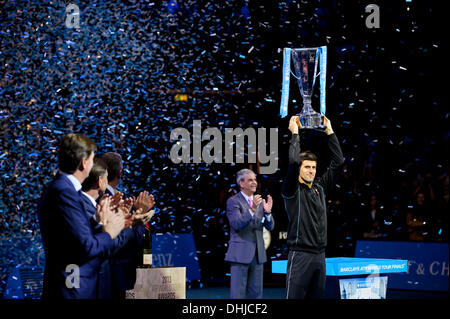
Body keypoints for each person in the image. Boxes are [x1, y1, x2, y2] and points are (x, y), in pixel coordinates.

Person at [37, 133, 125, 299]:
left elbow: (72, 234)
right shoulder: (64, 192)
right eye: (92, 159)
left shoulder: (64, 189)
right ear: (84, 162)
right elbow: (86, 246)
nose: (94, 165)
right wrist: (109, 232)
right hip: (71, 288)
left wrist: (96, 220)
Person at [282, 116, 344, 299]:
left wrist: (330, 131)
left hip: (320, 256)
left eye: (314, 167)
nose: (311, 171)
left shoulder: (320, 188)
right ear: (300, 170)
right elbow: (293, 161)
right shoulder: (291, 190)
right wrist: (295, 133)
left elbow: (338, 162)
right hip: (300, 256)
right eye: (307, 167)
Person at [80, 158, 153, 298]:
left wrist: (124, 219)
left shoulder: (100, 202)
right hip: (106, 279)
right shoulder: (89, 204)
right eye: (105, 177)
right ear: (99, 180)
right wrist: (132, 222)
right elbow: (109, 242)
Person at [224, 168, 274, 299]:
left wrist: (268, 213)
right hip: (240, 254)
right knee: (238, 295)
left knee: (257, 295)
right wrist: (252, 209)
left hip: (258, 255)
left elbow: (271, 226)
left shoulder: (260, 202)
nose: (254, 182)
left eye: (255, 180)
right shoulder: (233, 201)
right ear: (241, 183)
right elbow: (236, 224)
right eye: (250, 180)